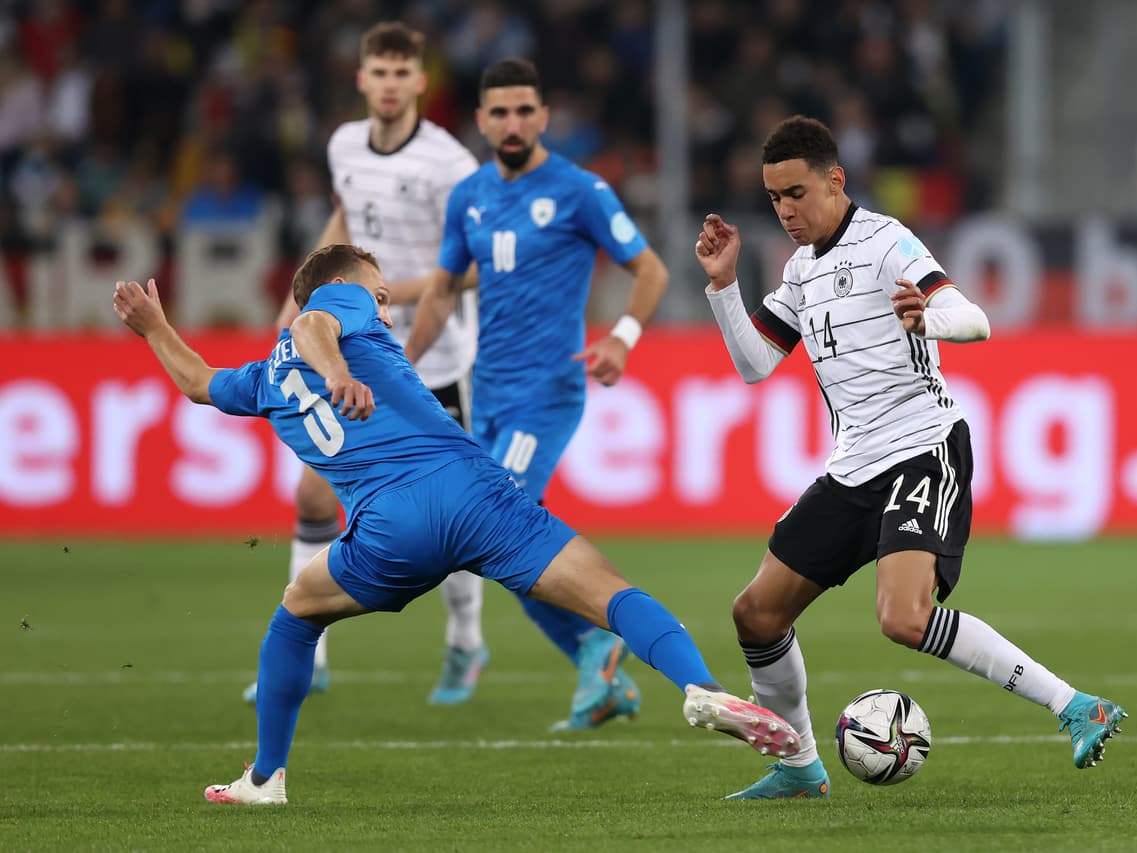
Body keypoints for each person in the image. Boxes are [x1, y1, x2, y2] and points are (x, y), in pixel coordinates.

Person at [110, 244, 801, 805]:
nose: (383, 301)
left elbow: (199, 381)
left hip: (390, 529)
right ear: (346, 286)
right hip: (476, 493)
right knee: (611, 595)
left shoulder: (262, 380)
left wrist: (153, 329)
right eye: (377, 290)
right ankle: (700, 685)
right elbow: (311, 327)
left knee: (296, 614)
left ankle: (265, 778)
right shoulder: (338, 301)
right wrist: (340, 368)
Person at [694, 116, 1128, 800]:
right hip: (853, 466)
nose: (785, 210)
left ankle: (1077, 704)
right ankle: (799, 766)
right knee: (756, 613)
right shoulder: (801, 271)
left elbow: (973, 318)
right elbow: (755, 366)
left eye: (796, 193)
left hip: (923, 449)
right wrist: (723, 288)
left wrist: (930, 318)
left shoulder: (886, 240)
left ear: (835, 180)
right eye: (775, 196)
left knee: (903, 616)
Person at [405, 58, 669, 730]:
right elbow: (441, 289)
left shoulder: (579, 190)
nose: (513, 123)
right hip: (485, 393)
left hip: (545, 394)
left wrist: (623, 337)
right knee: (490, 547)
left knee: (501, 523)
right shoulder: (469, 196)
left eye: (526, 110)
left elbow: (651, 269)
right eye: (500, 112)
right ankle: (595, 656)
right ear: (482, 120)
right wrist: (402, 365)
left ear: (545, 116)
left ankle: (603, 638)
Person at [246, 22, 488, 707]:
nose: (387, 84)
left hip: (433, 357)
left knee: (456, 515)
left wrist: (376, 298)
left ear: (420, 81)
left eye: (400, 72)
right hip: (354, 353)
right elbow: (346, 218)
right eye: (376, 72)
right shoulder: (343, 145)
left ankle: (466, 641)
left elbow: (467, 271)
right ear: (361, 79)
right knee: (314, 494)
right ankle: (310, 648)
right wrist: (305, 298)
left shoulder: (448, 165)